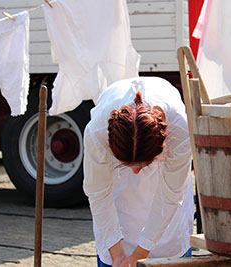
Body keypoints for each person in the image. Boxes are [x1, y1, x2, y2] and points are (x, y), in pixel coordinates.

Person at [83, 76, 194, 267]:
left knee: (168, 245)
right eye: (127, 164)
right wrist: (118, 255)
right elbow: (98, 193)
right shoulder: (97, 132)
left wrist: (140, 255)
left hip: (167, 212)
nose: (135, 172)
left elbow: (170, 196)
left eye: (142, 165)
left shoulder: (180, 130)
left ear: (161, 148)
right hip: (120, 202)